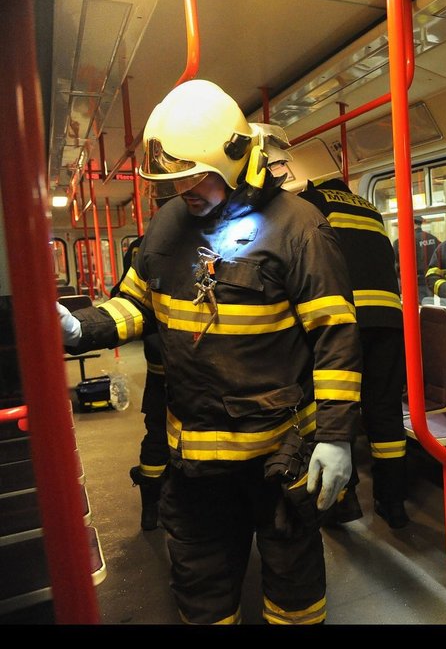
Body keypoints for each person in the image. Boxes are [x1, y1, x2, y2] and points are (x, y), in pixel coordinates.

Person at [57, 79, 362, 625]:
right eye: (175, 182)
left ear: (237, 161)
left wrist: (337, 438)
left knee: (294, 585)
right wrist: (82, 329)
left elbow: (335, 338)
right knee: (200, 585)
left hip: (276, 455)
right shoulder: (168, 224)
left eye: (196, 177)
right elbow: (136, 304)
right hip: (193, 459)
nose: (185, 192)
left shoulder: (300, 228)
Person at [298, 177, 410, 529]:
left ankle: (341, 501)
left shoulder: (310, 202)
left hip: (345, 319)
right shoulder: (371, 208)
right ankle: (393, 504)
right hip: (389, 319)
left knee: (335, 405)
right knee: (386, 412)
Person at [111, 236, 168, 531]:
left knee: (157, 432)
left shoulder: (142, 244)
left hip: (159, 356)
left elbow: (124, 294)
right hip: (196, 362)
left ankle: (152, 508)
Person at [395, 215, 440, 303]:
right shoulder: (433, 239)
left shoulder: (401, 241)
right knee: (429, 308)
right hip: (431, 282)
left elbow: (396, 266)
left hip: (412, 284)